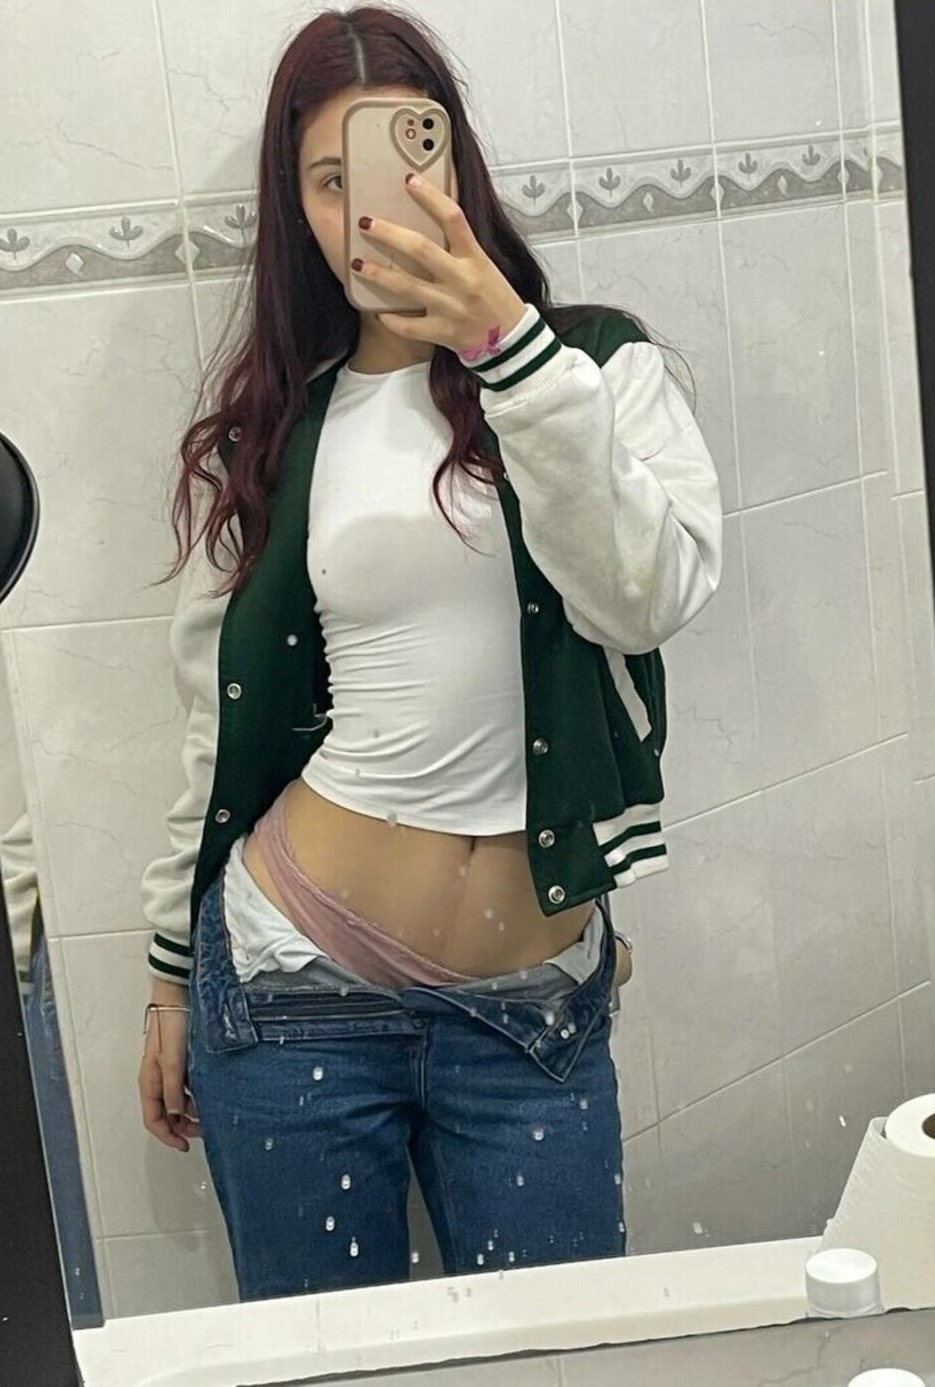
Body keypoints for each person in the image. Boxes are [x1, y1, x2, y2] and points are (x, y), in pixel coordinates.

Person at [137, 4, 722, 1302]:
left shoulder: (591, 367)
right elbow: (216, 727)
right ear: (293, 207)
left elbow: (650, 595)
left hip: (531, 1011)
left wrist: (507, 349)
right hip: (291, 982)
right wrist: (169, 976)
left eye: (401, 160)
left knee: (561, 1362)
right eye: (326, 181)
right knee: (324, 1374)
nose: (366, 211)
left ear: (452, 163)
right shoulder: (284, 428)